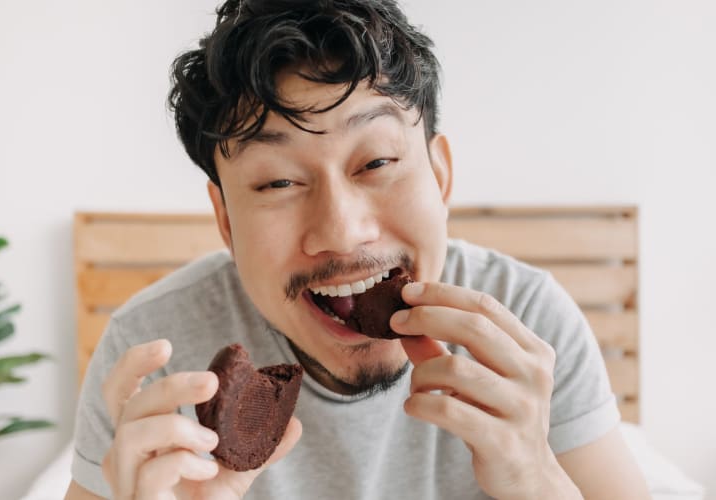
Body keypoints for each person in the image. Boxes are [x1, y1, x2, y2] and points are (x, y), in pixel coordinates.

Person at [65, 1, 650, 498]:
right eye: (278, 183)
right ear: (224, 218)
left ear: (440, 177)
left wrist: (533, 475)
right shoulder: (150, 360)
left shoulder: (527, 324)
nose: (342, 233)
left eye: (376, 163)